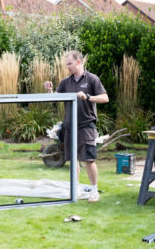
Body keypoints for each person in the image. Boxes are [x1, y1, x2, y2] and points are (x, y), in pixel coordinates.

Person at [44, 50, 108, 203]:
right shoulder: (66, 82)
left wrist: (87, 97)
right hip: (69, 127)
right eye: (66, 65)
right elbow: (54, 100)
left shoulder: (92, 79)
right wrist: (50, 91)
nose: (68, 67)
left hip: (86, 126)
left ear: (79, 62)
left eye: (70, 64)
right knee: (73, 160)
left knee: (89, 160)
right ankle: (76, 190)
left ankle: (94, 191)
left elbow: (105, 98)